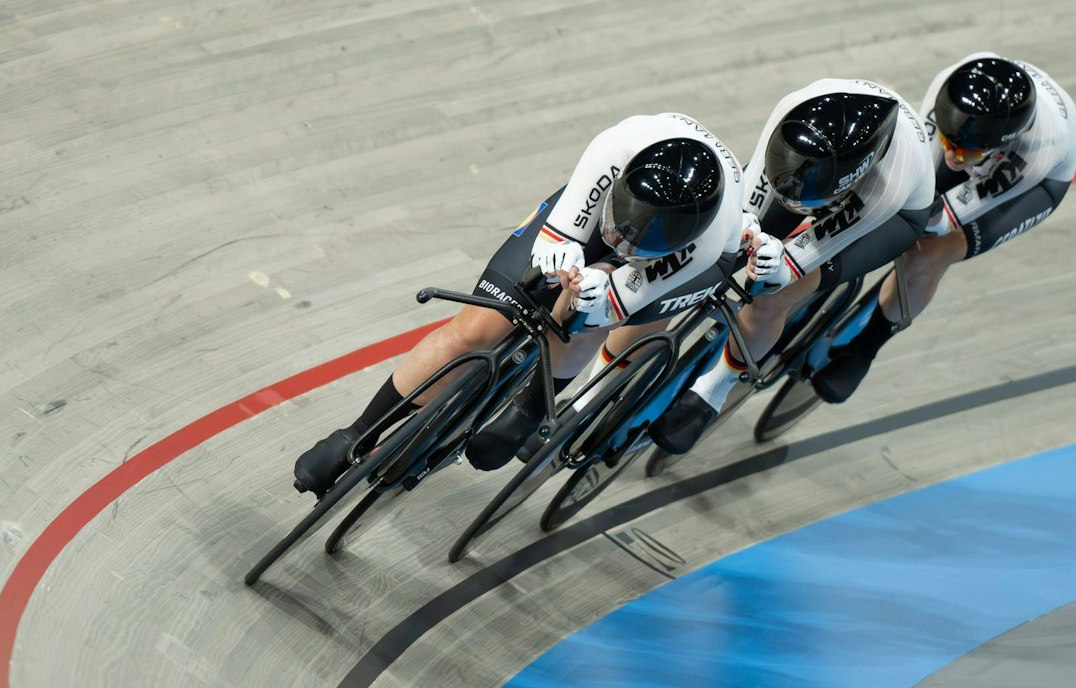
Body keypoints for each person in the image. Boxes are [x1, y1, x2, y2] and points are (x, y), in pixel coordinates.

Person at [292, 114, 745, 497]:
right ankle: (355, 434)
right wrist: (561, 257)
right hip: (612, 204)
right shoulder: (616, 147)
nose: (622, 243)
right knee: (477, 327)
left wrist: (591, 289)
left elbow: (614, 304)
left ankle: (526, 409)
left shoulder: (703, 248)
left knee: (582, 321)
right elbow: (561, 234)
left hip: (663, 265)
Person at [647, 78, 936, 455]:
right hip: (806, 171)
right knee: (724, 242)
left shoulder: (891, 184)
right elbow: (745, 208)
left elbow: (810, 252)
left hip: (887, 217)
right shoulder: (793, 110)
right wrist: (745, 233)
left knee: (772, 294)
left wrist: (778, 265)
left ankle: (713, 389)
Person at [809, 52, 1076, 405]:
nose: (953, 156)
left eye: (963, 154)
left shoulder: (1036, 153)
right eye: (948, 142)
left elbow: (945, 217)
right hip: (978, 133)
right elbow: (918, 164)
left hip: (1037, 185)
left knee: (931, 252)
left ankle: (865, 348)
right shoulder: (951, 88)